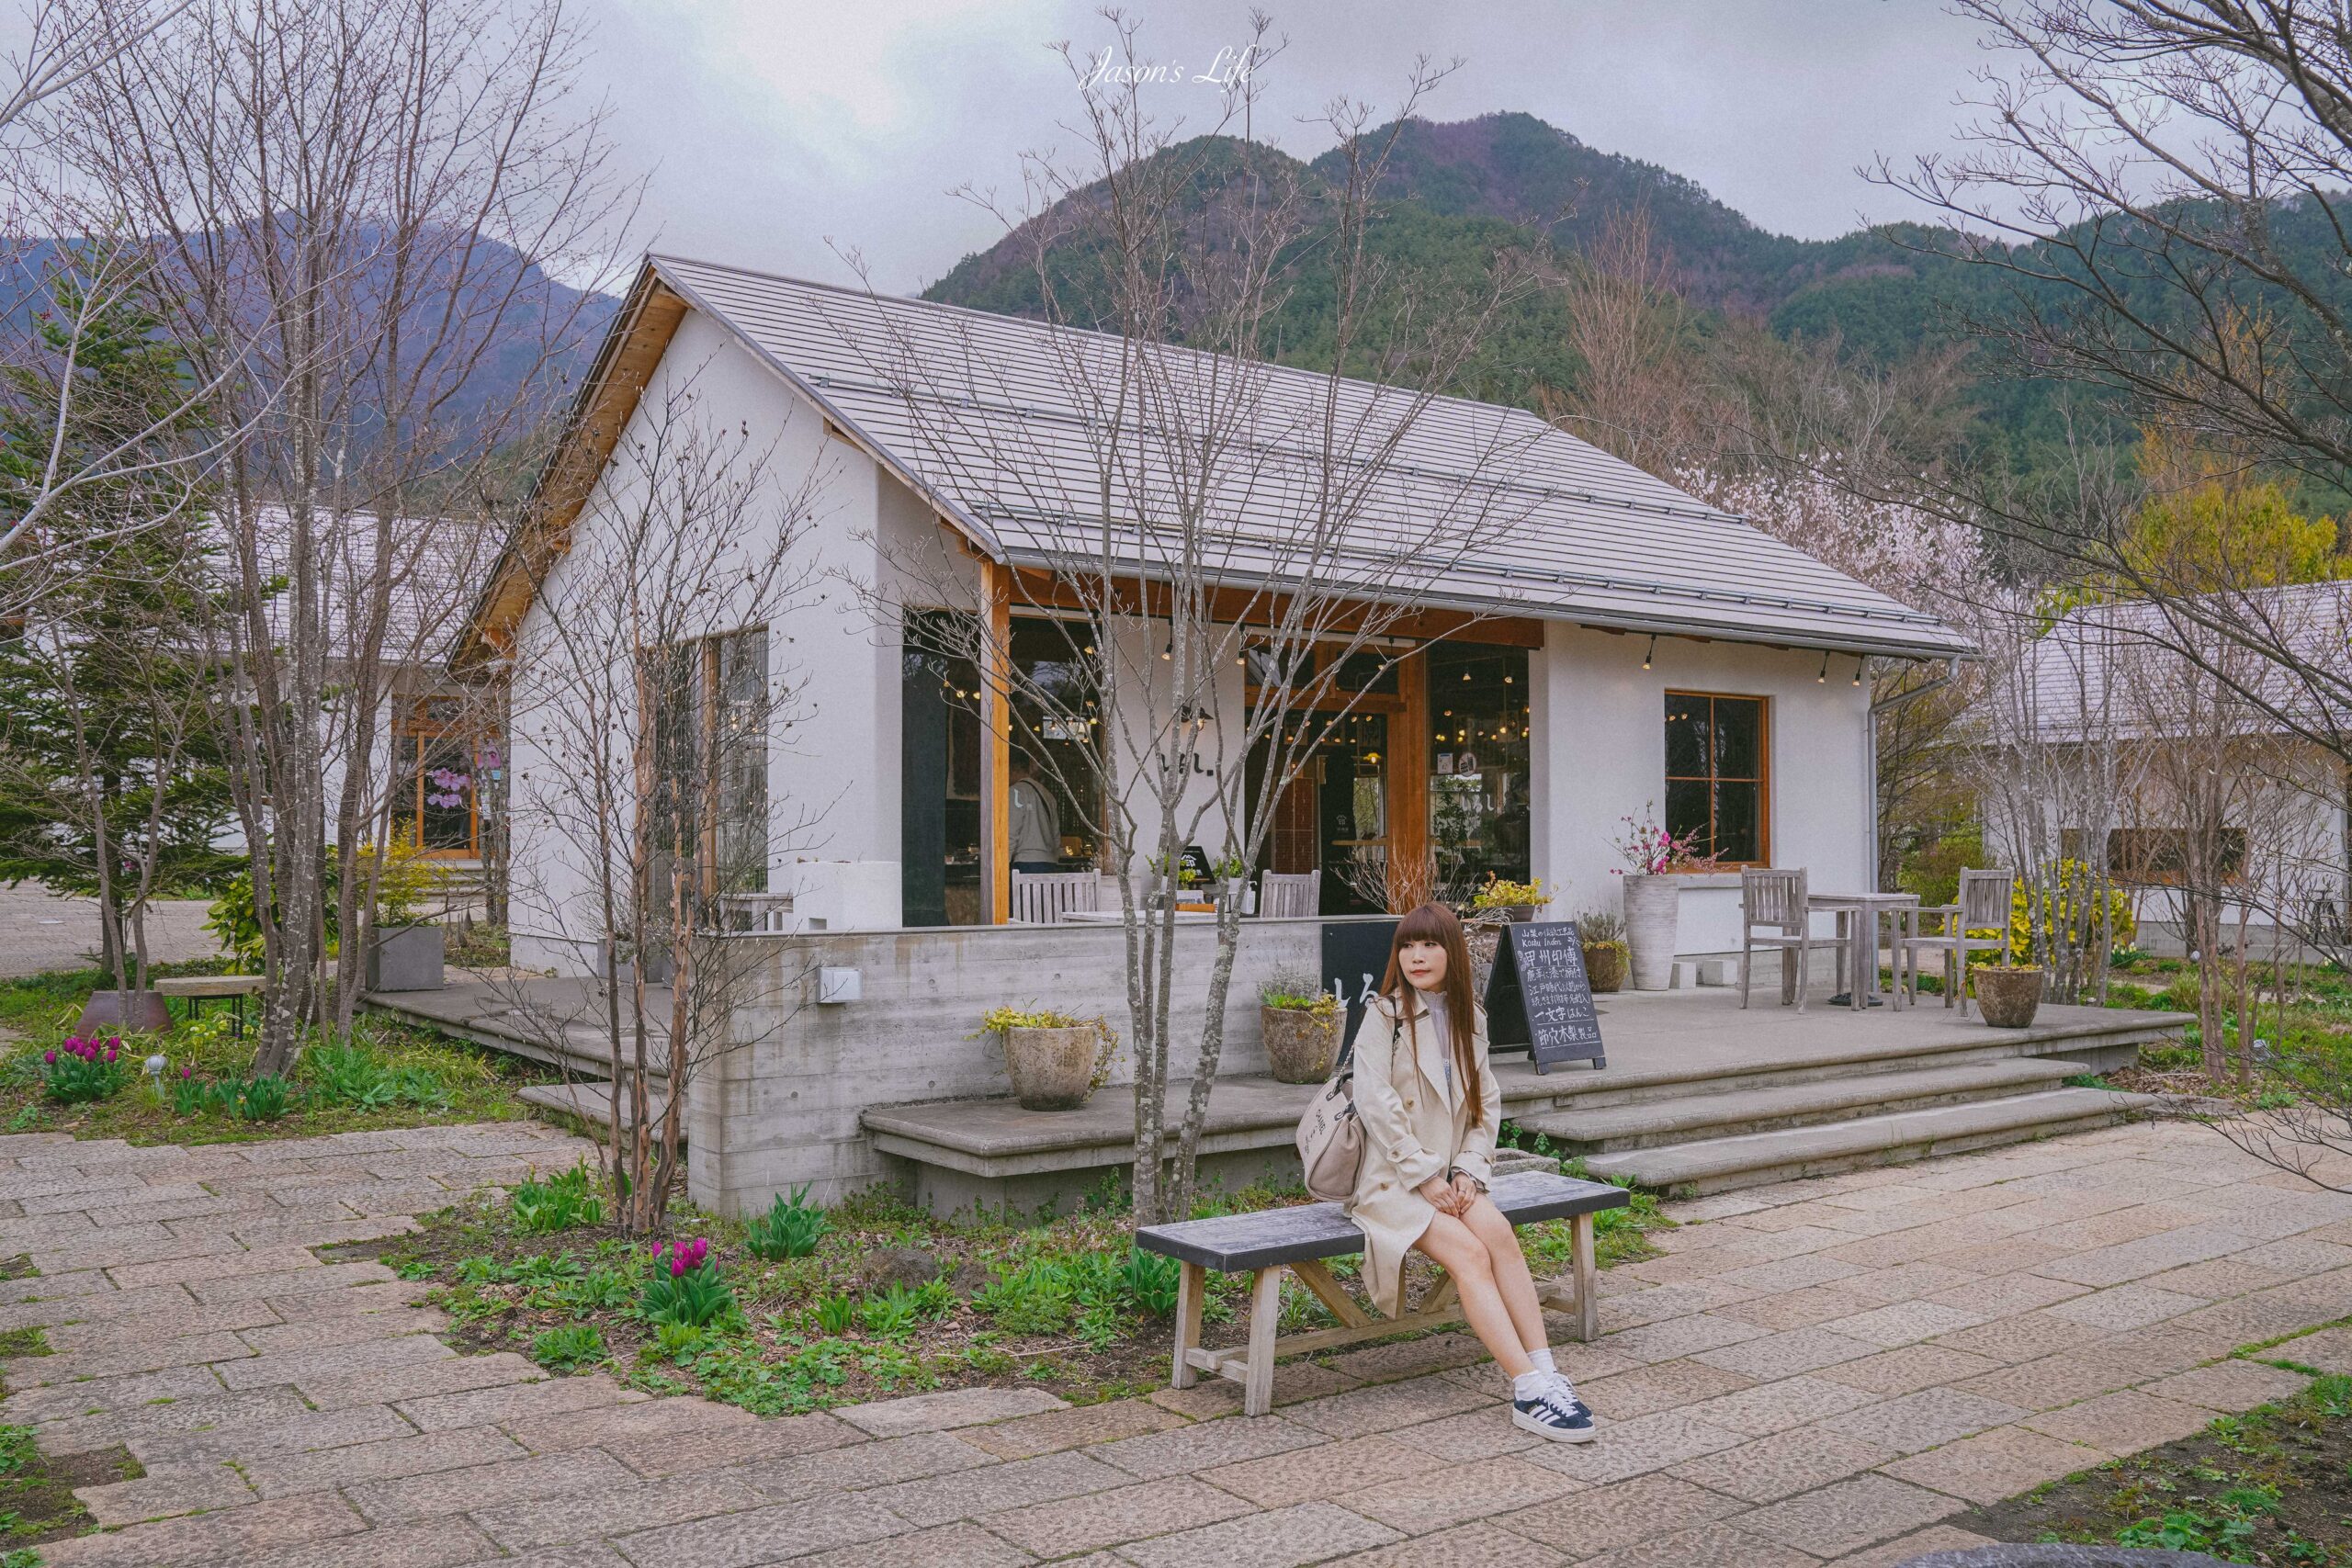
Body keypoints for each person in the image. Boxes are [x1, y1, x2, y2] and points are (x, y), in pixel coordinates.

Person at [1346, 901, 1596, 1442]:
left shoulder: (1470, 1018)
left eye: (1430, 945)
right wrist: (1425, 1176)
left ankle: (1547, 1370)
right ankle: (1528, 1390)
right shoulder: (1383, 1016)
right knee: (1470, 1253)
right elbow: (1376, 1103)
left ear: (1451, 952)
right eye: (1408, 946)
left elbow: (1484, 1107)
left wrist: (1467, 1171)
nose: (1417, 956)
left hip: (1448, 1176)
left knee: (1500, 1237)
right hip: (1392, 1180)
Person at [1007, 752, 1062, 874]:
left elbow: (1011, 831)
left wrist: (1003, 862)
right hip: (1049, 863)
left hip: (1026, 862)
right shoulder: (1048, 794)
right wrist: (1055, 859)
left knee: (1024, 895)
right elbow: (1056, 836)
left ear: (1012, 770)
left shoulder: (1015, 792)